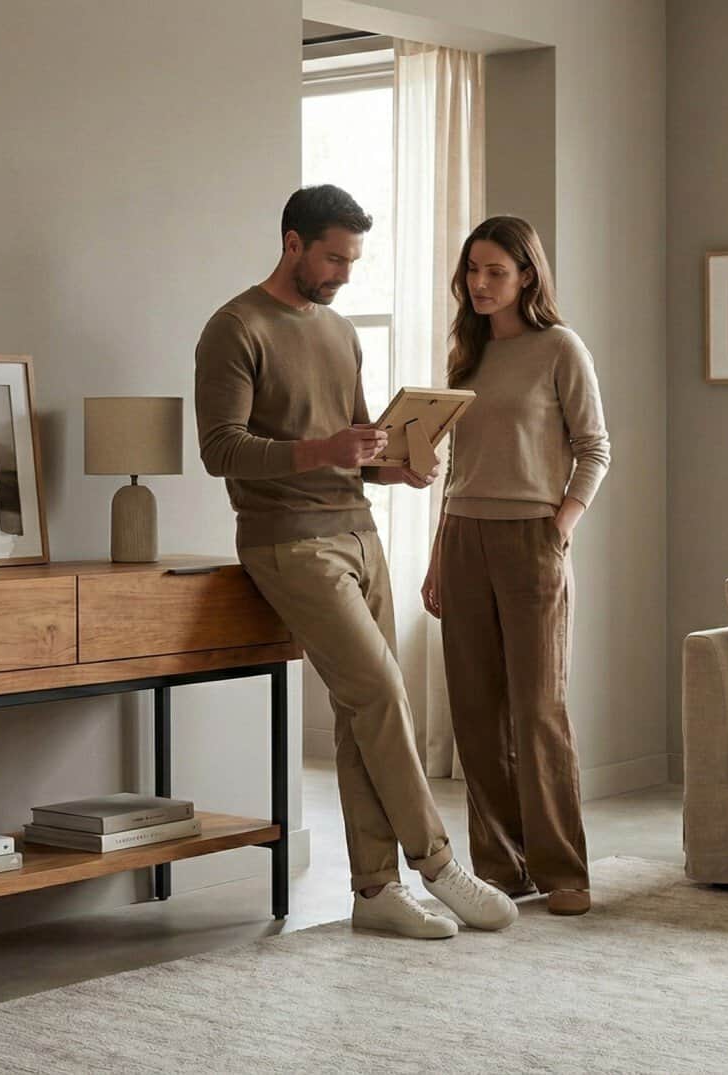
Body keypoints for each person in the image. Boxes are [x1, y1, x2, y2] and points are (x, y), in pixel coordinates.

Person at [195, 185, 518, 939]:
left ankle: (374, 890)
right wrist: (324, 451)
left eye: (353, 259)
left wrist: (390, 465)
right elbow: (220, 448)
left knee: (359, 710)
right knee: (379, 691)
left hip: (359, 530)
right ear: (293, 243)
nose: (343, 272)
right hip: (286, 539)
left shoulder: (340, 332)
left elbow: (353, 441)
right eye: (334, 256)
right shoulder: (235, 327)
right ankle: (437, 862)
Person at [420, 215, 610, 917]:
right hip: (464, 538)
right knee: (475, 715)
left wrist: (560, 525)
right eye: (473, 270)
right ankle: (501, 867)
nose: (480, 283)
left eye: (496, 270)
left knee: (537, 712)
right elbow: (455, 470)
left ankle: (564, 867)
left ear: (527, 275)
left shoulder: (560, 347)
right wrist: (439, 554)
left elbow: (595, 447)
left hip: (532, 539)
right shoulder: (465, 359)